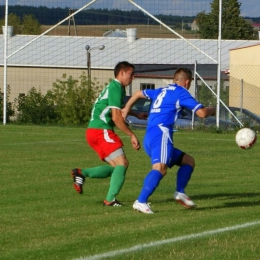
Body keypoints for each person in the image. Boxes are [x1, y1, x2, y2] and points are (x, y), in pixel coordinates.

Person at [122, 68, 216, 214]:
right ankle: (141, 201)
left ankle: (180, 192)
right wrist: (211, 109)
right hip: (161, 134)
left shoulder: (161, 90)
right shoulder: (181, 92)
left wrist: (126, 109)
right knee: (160, 169)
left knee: (188, 161)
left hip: (150, 135)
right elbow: (202, 113)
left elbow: (137, 93)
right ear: (187, 82)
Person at [71, 61, 146, 206]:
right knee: (122, 164)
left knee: (115, 167)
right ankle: (110, 200)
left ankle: (81, 173)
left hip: (93, 131)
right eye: (131, 74)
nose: (133, 78)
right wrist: (132, 135)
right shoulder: (116, 87)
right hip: (101, 130)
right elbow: (116, 117)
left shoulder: (117, 87)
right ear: (122, 73)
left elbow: (119, 108)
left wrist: (136, 114)